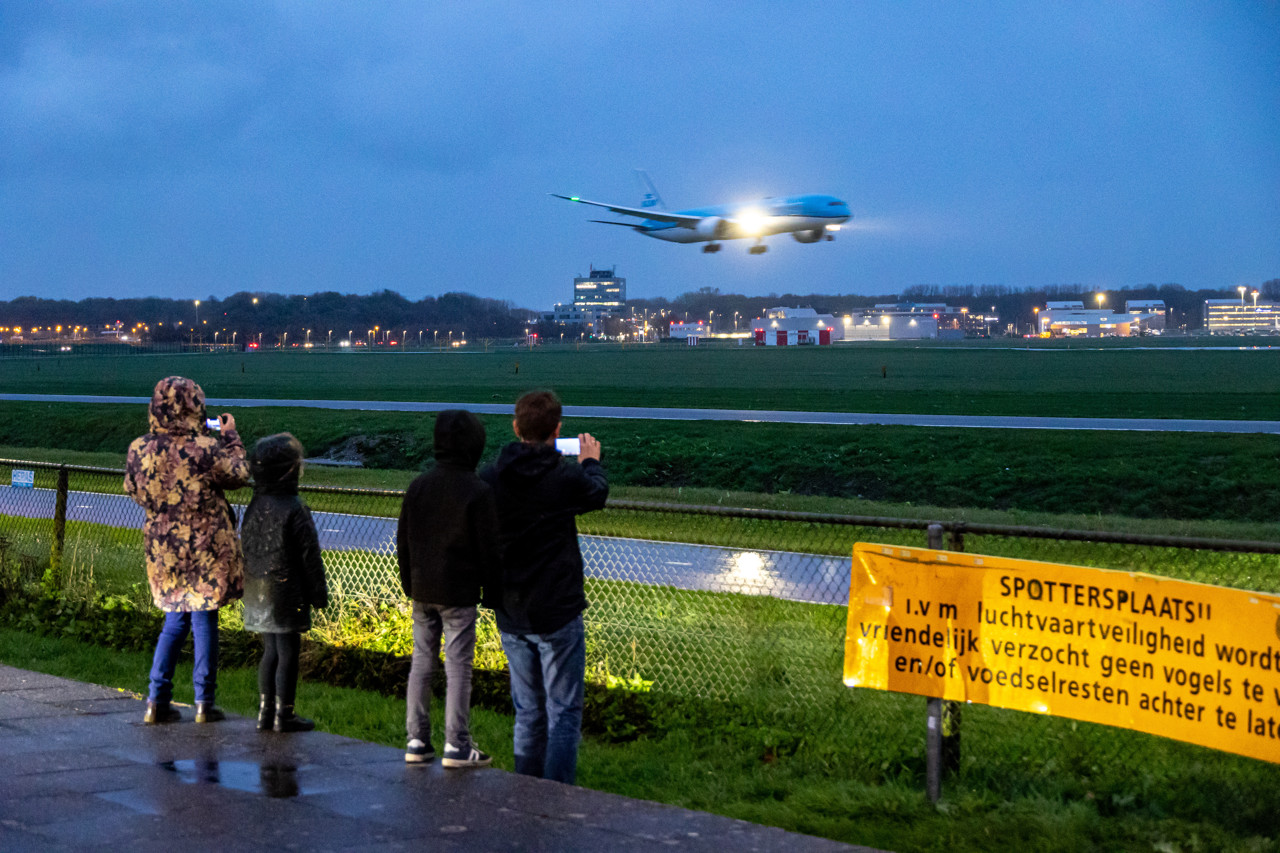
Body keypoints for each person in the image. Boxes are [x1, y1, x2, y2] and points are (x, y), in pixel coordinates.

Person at [480, 390, 608, 784]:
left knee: (528, 710)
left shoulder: (492, 477)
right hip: (557, 607)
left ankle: (526, 791)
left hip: (511, 607)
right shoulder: (563, 476)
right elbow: (596, 494)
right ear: (557, 430)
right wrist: (590, 463)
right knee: (563, 711)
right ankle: (556, 794)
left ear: (516, 427)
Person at [124, 376, 250, 724]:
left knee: (174, 620)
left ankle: (157, 699)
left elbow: (133, 488)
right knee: (204, 619)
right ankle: (204, 702)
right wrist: (231, 437)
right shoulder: (206, 449)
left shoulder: (139, 448)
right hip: (205, 549)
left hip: (164, 550)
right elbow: (239, 474)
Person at [397, 410, 499, 767]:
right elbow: (488, 549)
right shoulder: (478, 491)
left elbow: (404, 540)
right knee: (458, 667)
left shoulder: (419, 486)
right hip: (459, 591)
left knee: (422, 661)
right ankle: (456, 743)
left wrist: (409, 582)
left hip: (422, 588)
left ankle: (416, 739)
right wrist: (492, 591)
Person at [241, 433, 329, 733]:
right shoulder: (294, 507)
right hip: (287, 589)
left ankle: (265, 711)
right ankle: (284, 712)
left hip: (258, 588)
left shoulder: (256, 504)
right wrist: (318, 593)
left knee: (270, 651)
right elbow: (309, 555)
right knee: (288, 651)